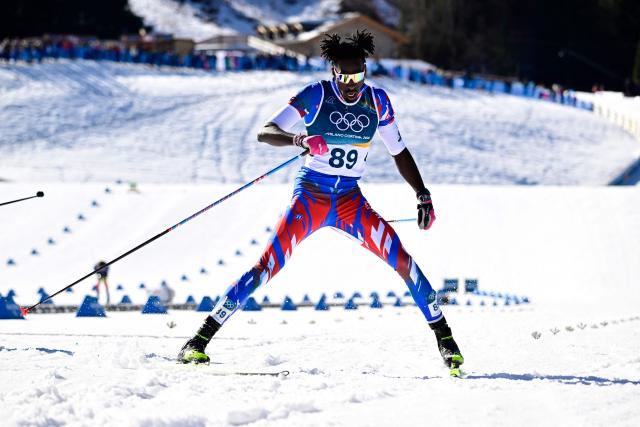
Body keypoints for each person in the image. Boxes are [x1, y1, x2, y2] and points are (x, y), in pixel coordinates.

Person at [178, 30, 464, 374]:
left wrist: (422, 194)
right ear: (333, 73)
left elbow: (399, 151)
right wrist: (299, 138)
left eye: (358, 74)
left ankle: (446, 342)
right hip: (311, 195)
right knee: (267, 266)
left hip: (348, 200)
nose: (351, 83)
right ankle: (198, 341)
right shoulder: (315, 95)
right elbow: (265, 131)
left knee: (403, 261)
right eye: (344, 75)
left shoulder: (378, 101)